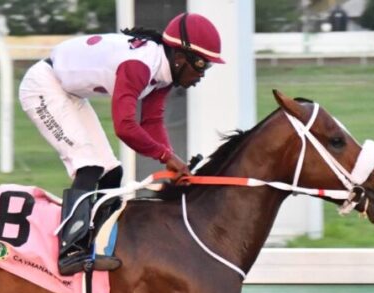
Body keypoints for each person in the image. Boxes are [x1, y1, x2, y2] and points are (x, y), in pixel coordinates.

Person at [18, 12, 225, 276]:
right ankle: (70, 251)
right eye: (202, 65)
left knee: (112, 171)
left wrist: (169, 158)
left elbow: (151, 121)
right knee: (89, 167)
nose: (202, 74)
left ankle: (101, 244)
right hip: (43, 87)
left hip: (69, 92)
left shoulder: (164, 71)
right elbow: (125, 128)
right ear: (181, 57)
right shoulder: (139, 66)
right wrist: (167, 157)